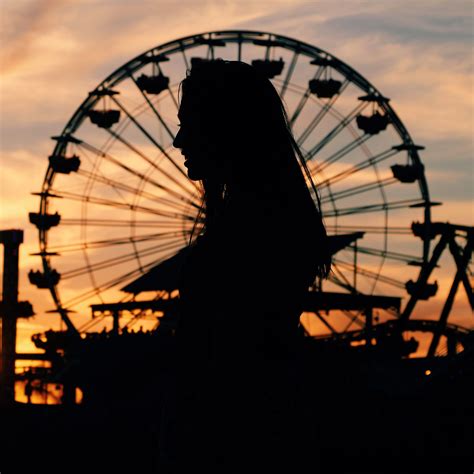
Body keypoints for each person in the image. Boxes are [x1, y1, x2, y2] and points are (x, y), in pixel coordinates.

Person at [160, 59, 331, 472]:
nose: (179, 140)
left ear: (225, 130)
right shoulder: (272, 219)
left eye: (190, 124)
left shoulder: (249, 231)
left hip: (231, 438)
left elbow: (225, 358)